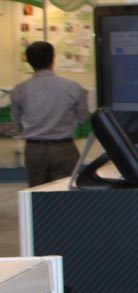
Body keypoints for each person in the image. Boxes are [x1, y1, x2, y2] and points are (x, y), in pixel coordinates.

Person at [8, 40, 89, 186]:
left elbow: (17, 120)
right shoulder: (72, 87)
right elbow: (83, 118)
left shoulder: (20, 89)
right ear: (53, 59)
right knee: (63, 191)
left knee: (37, 193)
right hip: (64, 149)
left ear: (29, 62)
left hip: (34, 149)